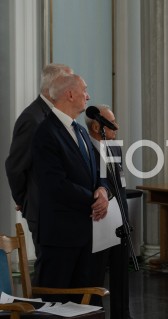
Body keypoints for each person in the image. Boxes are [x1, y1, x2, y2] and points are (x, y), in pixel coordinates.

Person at [31, 73, 110, 300]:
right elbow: (55, 184)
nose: (88, 95)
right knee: (56, 302)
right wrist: (94, 201)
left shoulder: (81, 131)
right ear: (70, 94)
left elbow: (96, 172)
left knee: (83, 300)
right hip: (60, 235)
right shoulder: (46, 132)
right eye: (84, 90)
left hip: (87, 232)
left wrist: (103, 190)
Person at [5, 63, 73, 281]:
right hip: (42, 210)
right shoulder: (32, 118)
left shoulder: (51, 115)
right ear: (55, 86)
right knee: (49, 275)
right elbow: (15, 166)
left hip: (56, 210)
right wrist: (24, 200)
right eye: (69, 83)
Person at [86, 104, 132, 319]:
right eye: (112, 123)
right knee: (95, 275)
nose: (117, 126)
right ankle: (95, 314)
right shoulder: (84, 148)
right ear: (97, 126)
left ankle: (122, 314)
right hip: (98, 223)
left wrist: (125, 219)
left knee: (122, 273)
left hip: (119, 222)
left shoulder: (115, 148)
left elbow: (120, 186)